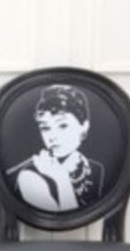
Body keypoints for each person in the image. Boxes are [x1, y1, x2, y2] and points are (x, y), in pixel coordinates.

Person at [6, 84, 106, 212]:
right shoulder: (28, 176)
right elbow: (68, 219)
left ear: (84, 126)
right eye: (45, 128)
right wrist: (61, 178)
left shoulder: (95, 168)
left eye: (63, 126)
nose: (52, 136)